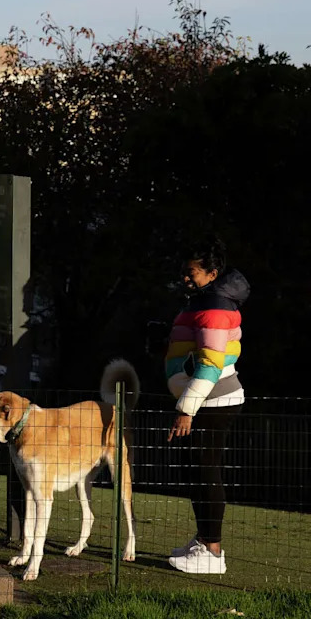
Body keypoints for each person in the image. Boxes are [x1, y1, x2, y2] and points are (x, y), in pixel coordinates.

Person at [165, 236, 249, 575]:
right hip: (207, 402)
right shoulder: (202, 300)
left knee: (206, 472)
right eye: (184, 272)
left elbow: (212, 364)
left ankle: (212, 554)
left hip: (215, 402)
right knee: (197, 472)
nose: (186, 278)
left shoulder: (214, 307)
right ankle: (204, 540)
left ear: (212, 274)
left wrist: (187, 409)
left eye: (192, 273)